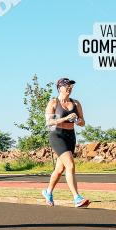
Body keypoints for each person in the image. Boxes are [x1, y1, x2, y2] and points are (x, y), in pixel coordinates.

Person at [43, 77, 89, 208]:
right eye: (67, 85)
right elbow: (49, 123)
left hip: (70, 136)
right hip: (57, 136)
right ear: (59, 88)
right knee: (70, 165)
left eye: (71, 86)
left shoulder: (76, 103)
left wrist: (77, 121)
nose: (70, 88)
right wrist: (65, 118)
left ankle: (48, 192)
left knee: (59, 169)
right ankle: (77, 198)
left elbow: (83, 122)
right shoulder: (53, 103)